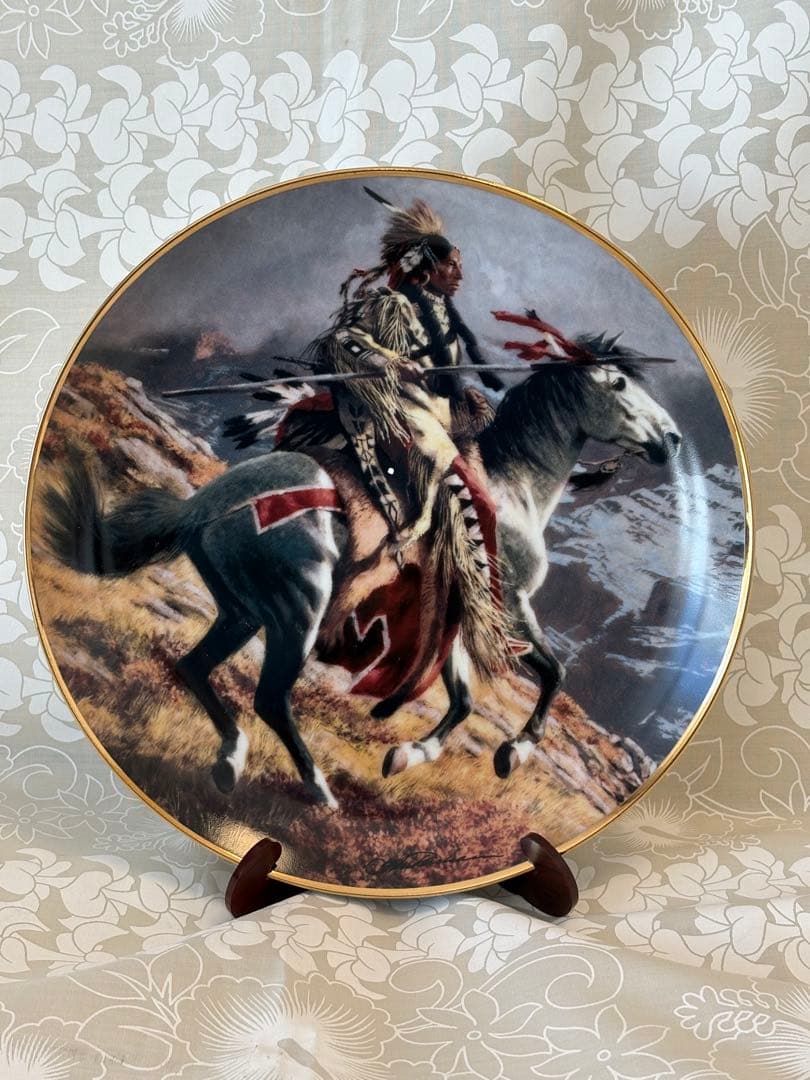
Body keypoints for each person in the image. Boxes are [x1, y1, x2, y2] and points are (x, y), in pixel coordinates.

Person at [303, 188, 512, 677]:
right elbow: (343, 341)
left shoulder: (443, 313)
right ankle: (486, 624)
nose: (459, 274)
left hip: (436, 416)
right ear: (426, 267)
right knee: (477, 504)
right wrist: (389, 362)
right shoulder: (391, 305)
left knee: (490, 492)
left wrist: (465, 404)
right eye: (451, 265)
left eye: (459, 265)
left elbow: (442, 383)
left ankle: (468, 616)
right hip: (400, 417)